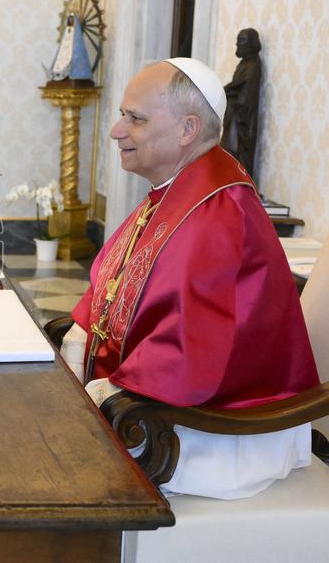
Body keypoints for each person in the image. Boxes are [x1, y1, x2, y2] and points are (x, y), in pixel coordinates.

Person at [61, 57, 318, 499]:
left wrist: (110, 386)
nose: (116, 130)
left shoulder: (218, 209)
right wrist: (81, 332)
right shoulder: (177, 188)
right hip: (177, 405)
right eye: (123, 115)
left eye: (135, 119)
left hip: (221, 432)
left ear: (187, 130)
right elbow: (119, 279)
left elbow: (192, 345)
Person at [221, 28, 263, 180]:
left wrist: (226, 90)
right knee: (227, 154)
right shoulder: (243, 64)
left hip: (241, 120)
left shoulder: (253, 65)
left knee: (235, 155)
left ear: (251, 44)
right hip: (234, 116)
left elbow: (244, 94)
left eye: (242, 41)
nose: (237, 45)